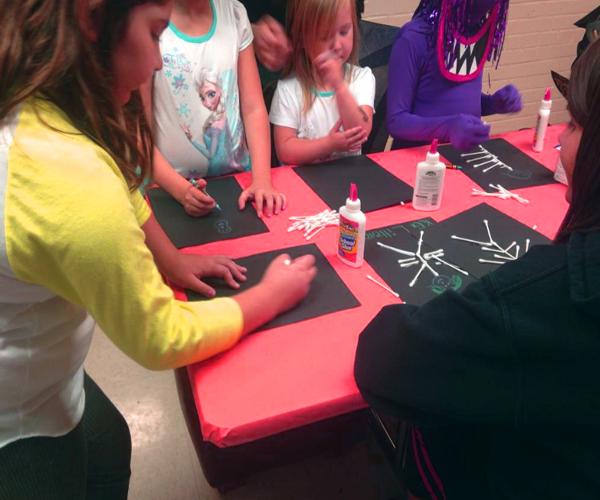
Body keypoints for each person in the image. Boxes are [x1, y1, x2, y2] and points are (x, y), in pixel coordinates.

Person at [0, 1, 316, 498]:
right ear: (92, 19)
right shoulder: (70, 182)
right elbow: (159, 336)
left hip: (46, 367)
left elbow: (123, 186)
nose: (155, 62)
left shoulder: (50, 107)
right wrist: (271, 296)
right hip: (13, 414)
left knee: (108, 447)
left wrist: (171, 260)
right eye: (153, 34)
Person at [355, 38, 600, 500]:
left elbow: (384, 357)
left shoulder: (548, 299)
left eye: (577, 124)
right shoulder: (417, 40)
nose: (563, 137)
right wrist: (454, 121)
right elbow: (400, 119)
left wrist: (484, 104)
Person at [145, 0, 286, 218]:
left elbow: (253, 107)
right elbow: (137, 128)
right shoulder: (147, 20)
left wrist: (262, 180)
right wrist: (180, 190)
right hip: (167, 192)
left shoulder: (235, 15)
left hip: (238, 184)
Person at [387, 0, 522, 151]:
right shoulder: (414, 38)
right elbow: (396, 121)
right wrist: (447, 128)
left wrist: (493, 104)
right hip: (417, 161)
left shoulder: (476, 35)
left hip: (462, 156)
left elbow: (450, 102)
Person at [269, 0, 375, 165]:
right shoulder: (288, 89)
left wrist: (339, 86)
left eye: (344, 31)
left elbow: (361, 130)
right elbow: (285, 150)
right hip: (301, 182)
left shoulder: (361, 78)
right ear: (303, 40)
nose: (337, 45)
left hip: (347, 180)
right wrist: (328, 145)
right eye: (325, 36)